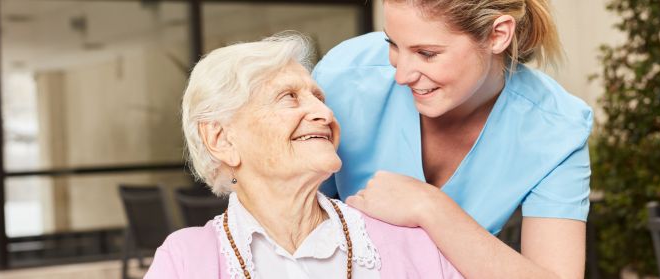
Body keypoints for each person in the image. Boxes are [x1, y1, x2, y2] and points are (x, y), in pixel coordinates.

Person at [144, 34, 462, 279]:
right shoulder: (185, 260)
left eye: (319, 98)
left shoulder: (408, 241)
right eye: (289, 98)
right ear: (221, 138)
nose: (323, 112)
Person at [314, 0, 592, 278]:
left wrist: (431, 207)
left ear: (498, 35)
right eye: (393, 44)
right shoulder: (344, 77)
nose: (401, 75)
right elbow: (285, 220)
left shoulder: (557, 130)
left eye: (427, 53)